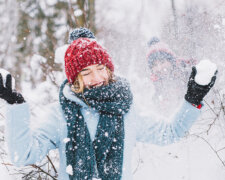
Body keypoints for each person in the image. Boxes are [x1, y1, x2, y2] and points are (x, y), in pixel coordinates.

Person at [0, 28, 217, 180]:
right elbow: (23, 156)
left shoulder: (127, 110)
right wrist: (15, 105)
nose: (96, 77)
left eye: (100, 68)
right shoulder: (60, 114)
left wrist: (193, 99)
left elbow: (171, 132)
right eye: (86, 72)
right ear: (75, 79)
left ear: (109, 70)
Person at [146, 37, 196, 115]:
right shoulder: (157, 83)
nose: (159, 68)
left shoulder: (186, 72)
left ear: (171, 61)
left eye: (162, 62)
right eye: (155, 65)